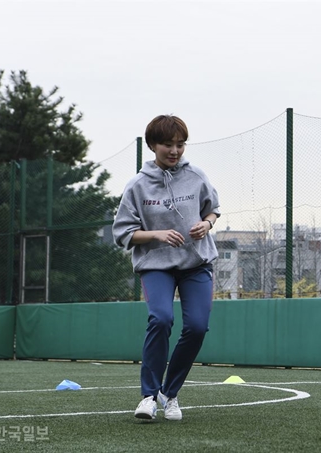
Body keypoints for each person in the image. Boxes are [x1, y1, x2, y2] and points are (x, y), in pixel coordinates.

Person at [112, 114, 221, 421]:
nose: (175, 151)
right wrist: (156, 234)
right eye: (168, 145)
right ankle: (148, 396)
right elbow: (122, 233)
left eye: (180, 144)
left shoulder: (196, 176)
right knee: (160, 319)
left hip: (195, 264)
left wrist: (206, 224)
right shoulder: (137, 186)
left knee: (198, 327)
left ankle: (168, 394)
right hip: (155, 265)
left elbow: (213, 209)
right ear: (152, 145)